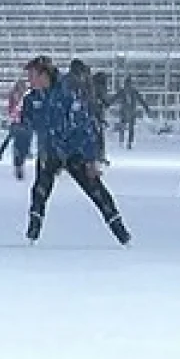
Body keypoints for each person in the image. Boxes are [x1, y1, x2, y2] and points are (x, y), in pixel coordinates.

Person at [19, 56, 131, 247]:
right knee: (39, 191)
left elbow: (84, 125)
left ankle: (120, 231)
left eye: (32, 75)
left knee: (96, 191)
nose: (29, 80)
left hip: (74, 151)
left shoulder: (68, 93)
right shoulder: (32, 99)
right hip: (50, 151)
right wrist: (20, 154)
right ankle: (33, 233)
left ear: (44, 74)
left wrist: (91, 158)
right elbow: (25, 127)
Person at [110, 76, 153, 150]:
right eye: (126, 84)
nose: (127, 86)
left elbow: (141, 100)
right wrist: (108, 104)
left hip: (131, 112)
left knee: (131, 128)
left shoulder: (134, 92)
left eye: (128, 84)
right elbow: (114, 98)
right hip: (124, 111)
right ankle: (122, 140)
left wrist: (146, 108)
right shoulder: (122, 91)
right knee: (123, 126)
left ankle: (129, 143)